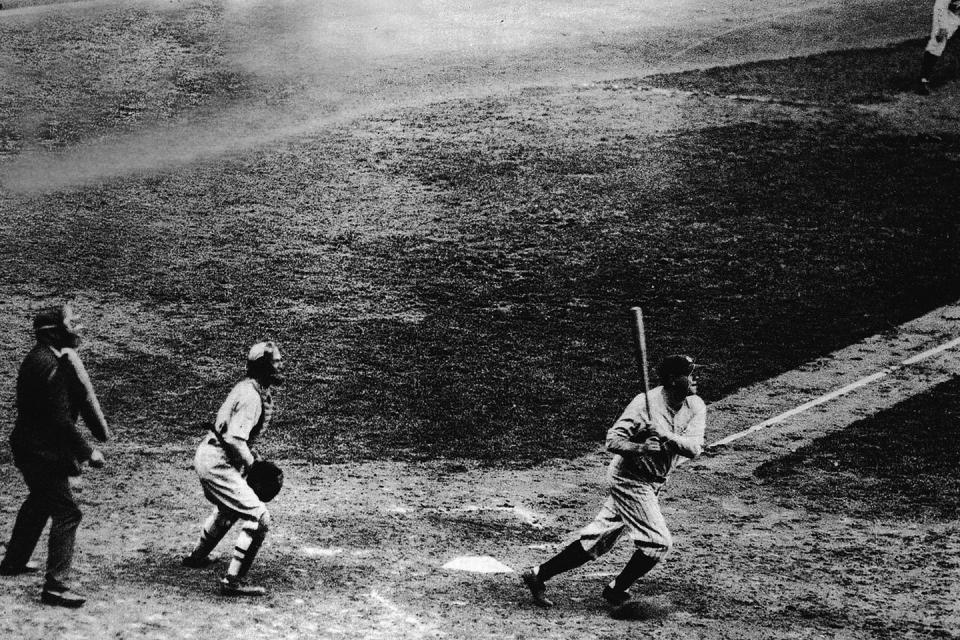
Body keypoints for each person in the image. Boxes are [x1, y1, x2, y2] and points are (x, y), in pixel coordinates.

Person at [521, 355, 705, 608]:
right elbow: (612, 440)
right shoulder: (644, 404)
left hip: (655, 481)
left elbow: (694, 449)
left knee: (598, 539)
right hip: (629, 479)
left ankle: (538, 574)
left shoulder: (695, 406)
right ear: (674, 380)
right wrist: (639, 447)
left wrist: (663, 435)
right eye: (690, 372)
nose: (696, 377)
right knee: (658, 543)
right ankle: (617, 589)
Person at [0, 304, 111, 608]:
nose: (75, 329)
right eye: (70, 324)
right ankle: (56, 586)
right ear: (55, 332)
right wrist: (89, 452)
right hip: (43, 453)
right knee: (68, 512)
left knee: (39, 500)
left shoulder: (37, 358)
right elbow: (60, 422)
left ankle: (13, 561)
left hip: (27, 448)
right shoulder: (55, 366)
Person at [182, 341, 285, 596]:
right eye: (276, 362)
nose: (281, 366)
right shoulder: (252, 396)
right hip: (218, 462)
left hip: (212, 455)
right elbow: (234, 440)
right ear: (263, 367)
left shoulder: (248, 388)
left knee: (229, 508)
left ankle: (197, 556)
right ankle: (232, 582)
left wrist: (251, 456)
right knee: (259, 517)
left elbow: (233, 434)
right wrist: (254, 465)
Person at [918, 0, 960, 94]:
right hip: (946, 13)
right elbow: (941, 5)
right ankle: (922, 80)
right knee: (938, 43)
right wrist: (942, 26)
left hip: (957, 13)